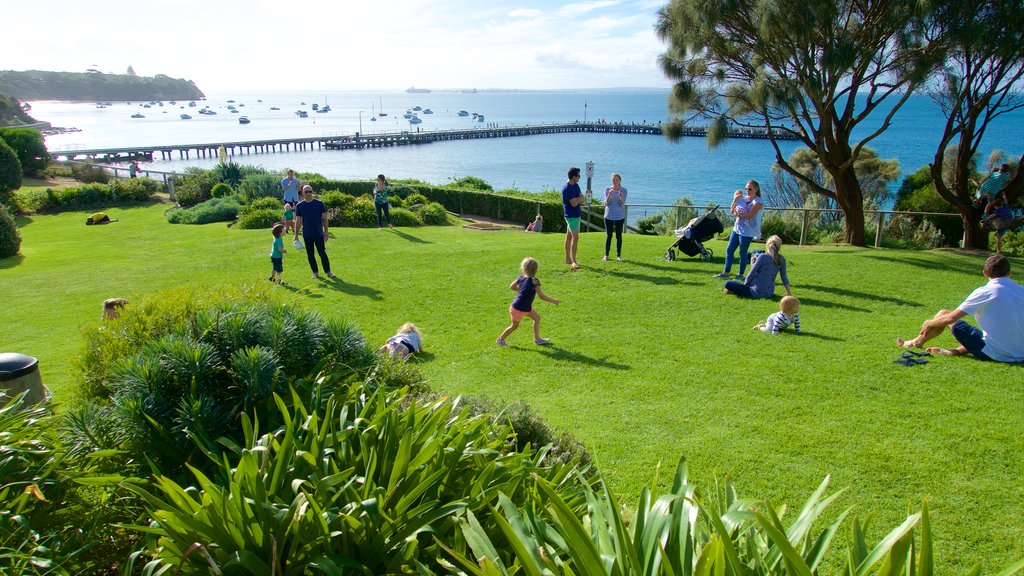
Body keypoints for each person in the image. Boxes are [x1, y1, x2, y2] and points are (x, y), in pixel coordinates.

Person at [898, 254, 1024, 362]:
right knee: (982, 336)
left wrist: (929, 322)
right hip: (1020, 353)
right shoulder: (1021, 290)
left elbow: (950, 318)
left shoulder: (986, 292)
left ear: (985, 273)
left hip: (996, 354)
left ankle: (916, 342)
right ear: (1009, 272)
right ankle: (956, 351)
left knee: (944, 313)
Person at [497, 257, 560, 346]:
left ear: (524, 268)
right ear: (536, 269)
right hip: (519, 308)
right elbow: (541, 296)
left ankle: (537, 339)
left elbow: (512, 286)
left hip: (524, 306)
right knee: (514, 326)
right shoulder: (535, 281)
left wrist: (522, 290)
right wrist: (554, 301)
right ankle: (500, 340)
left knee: (537, 318)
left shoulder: (521, 277)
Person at [714, 180, 763, 280]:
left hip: (747, 232)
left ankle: (740, 275)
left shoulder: (758, 202)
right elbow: (732, 211)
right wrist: (734, 201)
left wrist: (739, 213)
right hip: (737, 229)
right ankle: (726, 272)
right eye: (746, 189)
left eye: (750, 189)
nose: (748, 191)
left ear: (756, 189)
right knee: (729, 250)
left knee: (742, 252)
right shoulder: (743, 199)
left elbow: (750, 216)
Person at [724, 235, 792, 299]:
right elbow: (784, 277)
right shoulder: (782, 259)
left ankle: (734, 290)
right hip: (769, 293)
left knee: (728, 283)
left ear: (768, 245)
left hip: (755, 291)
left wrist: (745, 284)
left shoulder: (763, 256)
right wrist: (789, 293)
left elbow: (752, 272)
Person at [293, 184, 336, 280]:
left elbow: (325, 219)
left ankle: (328, 272)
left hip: (318, 234)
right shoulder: (300, 206)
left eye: (310, 191)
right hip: (307, 235)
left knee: (322, 253)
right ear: (302, 193)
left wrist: (326, 232)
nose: (308, 193)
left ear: (312, 192)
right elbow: (298, 221)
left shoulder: (319, 203)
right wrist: (296, 236)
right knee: (310, 255)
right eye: (306, 192)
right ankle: (315, 273)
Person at [562, 167, 586, 269]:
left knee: (569, 237)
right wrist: (578, 199)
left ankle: (568, 259)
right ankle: (574, 261)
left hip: (576, 215)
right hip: (571, 216)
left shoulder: (576, 185)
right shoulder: (567, 188)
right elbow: (574, 204)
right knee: (575, 237)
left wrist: (578, 199)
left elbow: (583, 199)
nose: (580, 177)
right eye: (578, 176)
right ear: (573, 176)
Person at [603, 172, 627, 261]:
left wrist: (621, 197)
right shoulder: (607, 189)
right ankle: (606, 255)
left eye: (617, 179)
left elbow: (622, 204)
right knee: (609, 235)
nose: (615, 181)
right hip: (609, 215)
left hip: (619, 216)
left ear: (620, 180)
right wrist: (609, 194)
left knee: (618, 236)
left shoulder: (624, 190)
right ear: (611, 180)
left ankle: (618, 255)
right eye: (613, 179)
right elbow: (606, 203)